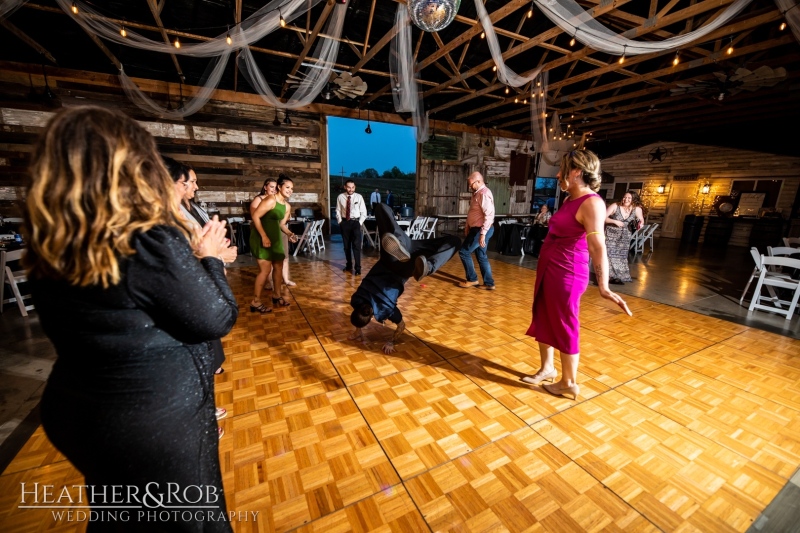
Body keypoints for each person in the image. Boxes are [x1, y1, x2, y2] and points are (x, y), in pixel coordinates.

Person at [23, 106, 237, 530]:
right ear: (134, 164)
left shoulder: (52, 241)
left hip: (77, 410)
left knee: (118, 520)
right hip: (148, 421)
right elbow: (216, 318)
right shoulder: (143, 237)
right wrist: (210, 259)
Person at [521, 150, 632, 400]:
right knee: (544, 315)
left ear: (577, 172)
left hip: (567, 273)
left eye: (562, 169)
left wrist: (603, 285)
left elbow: (597, 245)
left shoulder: (592, 203)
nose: (558, 174)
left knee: (564, 323)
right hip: (551, 269)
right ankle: (547, 368)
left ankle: (569, 382)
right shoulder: (570, 199)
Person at [349, 203, 461, 354]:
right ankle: (413, 257)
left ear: (370, 318)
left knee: (453, 243)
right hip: (392, 256)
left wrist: (391, 341)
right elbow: (358, 309)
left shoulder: (386, 311)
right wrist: (358, 328)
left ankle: (426, 267)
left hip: (404, 268)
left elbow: (401, 326)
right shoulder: (356, 299)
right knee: (381, 209)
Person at [251, 176, 299, 309]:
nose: (290, 190)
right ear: (279, 186)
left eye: (292, 188)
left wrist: (290, 234)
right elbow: (255, 216)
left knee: (278, 267)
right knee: (265, 270)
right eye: (287, 187)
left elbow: (282, 224)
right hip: (262, 237)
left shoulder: (287, 206)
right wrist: (264, 236)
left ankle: (277, 296)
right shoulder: (270, 200)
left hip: (276, 238)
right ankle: (255, 301)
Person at [458, 171, 496, 290]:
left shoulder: (483, 194)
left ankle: (472, 279)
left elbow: (489, 215)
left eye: (471, 184)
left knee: (464, 252)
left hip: (481, 230)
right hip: (477, 229)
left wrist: (482, 234)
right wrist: (467, 226)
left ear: (478, 181)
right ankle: (489, 283)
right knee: (481, 255)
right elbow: (474, 212)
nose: (470, 187)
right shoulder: (477, 193)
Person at [604, 190, 645, 284]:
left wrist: (640, 224)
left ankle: (620, 276)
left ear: (633, 199)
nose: (626, 199)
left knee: (621, 256)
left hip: (625, 235)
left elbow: (641, 220)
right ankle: (609, 276)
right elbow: (603, 217)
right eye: (625, 197)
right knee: (609, 255)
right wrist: (614, 221)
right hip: (611, 234)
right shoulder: (615, 206)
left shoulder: (637, 209)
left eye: (629, 198)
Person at [336, 179, 367, 275]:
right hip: (345, 223)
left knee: (356, 246)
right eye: (349, 187)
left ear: (355, 187)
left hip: (355, 223)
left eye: (352, 187)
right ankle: (349, 265)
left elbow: (364, 212)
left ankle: (358, 268)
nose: (351, 189)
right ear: (345, 187)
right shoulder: (340, 197)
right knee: (346, 246)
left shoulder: (359, 197)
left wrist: (359, 223)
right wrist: (340, 221)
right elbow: (338, 210)